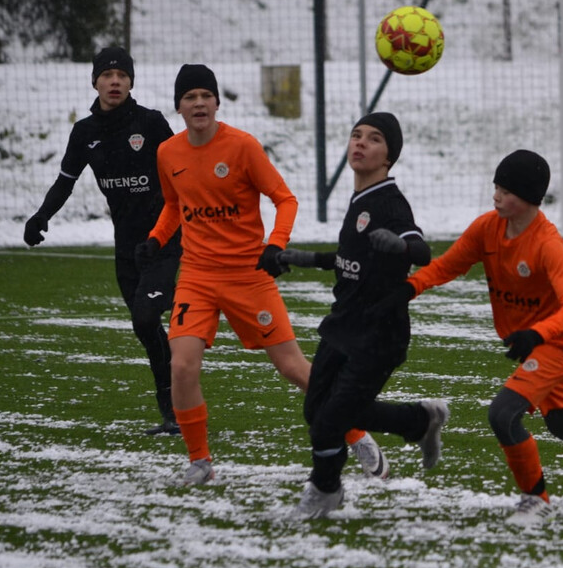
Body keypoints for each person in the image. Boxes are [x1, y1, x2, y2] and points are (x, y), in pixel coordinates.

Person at [140, 64, 387, 485]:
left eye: (206, 95)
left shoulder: (242, 147)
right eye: (190, 97)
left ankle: (357, 435)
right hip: (196, 276)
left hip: (248, 275)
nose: (199, 103)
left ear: (217, 102)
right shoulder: (168, 152)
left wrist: (275, 244)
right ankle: (200, 462)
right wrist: (157, 239)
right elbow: (173, 206)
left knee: (293, 368)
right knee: (181, 366)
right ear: (178, 106)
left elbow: (284, 199)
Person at [390, 149, 563, 524]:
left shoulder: (546, 244)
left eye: (506, 190)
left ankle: (536, 500)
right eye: (496, 187)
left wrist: (536, 333)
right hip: (534, 342)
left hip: (557, 344)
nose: (496, 196)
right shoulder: (487, 228)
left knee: (503, 415)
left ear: (530, 198)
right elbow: (449, 265)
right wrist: (409, 288)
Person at [275, 112, 448, 519]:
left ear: (389, 156)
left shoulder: (389, 202)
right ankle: (420, 420)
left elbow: (420, 249)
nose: (361, 143)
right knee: (318, 411)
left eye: (373, 139)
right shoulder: (359, 198)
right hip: (344, 324)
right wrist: (311, 259)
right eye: (356, 135)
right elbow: (352, 258)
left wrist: (402, 248)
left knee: (331, 419)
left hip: (378, 332)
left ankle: (325, 490)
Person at [23, 46, 182, 436]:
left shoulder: (152, 123)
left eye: (123, 76)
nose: (115, 82)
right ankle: (174, 412)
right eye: (108, 75)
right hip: (126, 246)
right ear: (94, 81)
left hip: (164, 240)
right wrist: (42, 215)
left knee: (149, 317)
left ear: (131, 83)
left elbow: (183, 174)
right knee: (145, 329)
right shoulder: (85, 132)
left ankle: (185, 370)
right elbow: (66, 181)